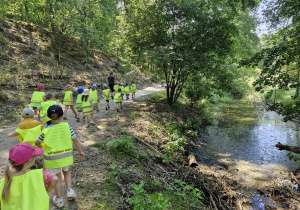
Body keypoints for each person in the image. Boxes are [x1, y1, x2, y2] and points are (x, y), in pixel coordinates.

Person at [35, 105, 84, 208]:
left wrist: (43, 147)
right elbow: (75, 139)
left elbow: (37, 142)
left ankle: (59, 199)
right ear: (62, 115)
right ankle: (70, 190)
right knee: (67, 172)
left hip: (52, 159)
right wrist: (80, 151)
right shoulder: (67, 126)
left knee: (57, 177)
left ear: (48, 117)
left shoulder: (46, 130)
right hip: (66, 157)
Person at [0, 143, 58, 209]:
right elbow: (55, 179)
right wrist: (47, 192)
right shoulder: (39, 174)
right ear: (30, 161)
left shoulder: (4, 182)